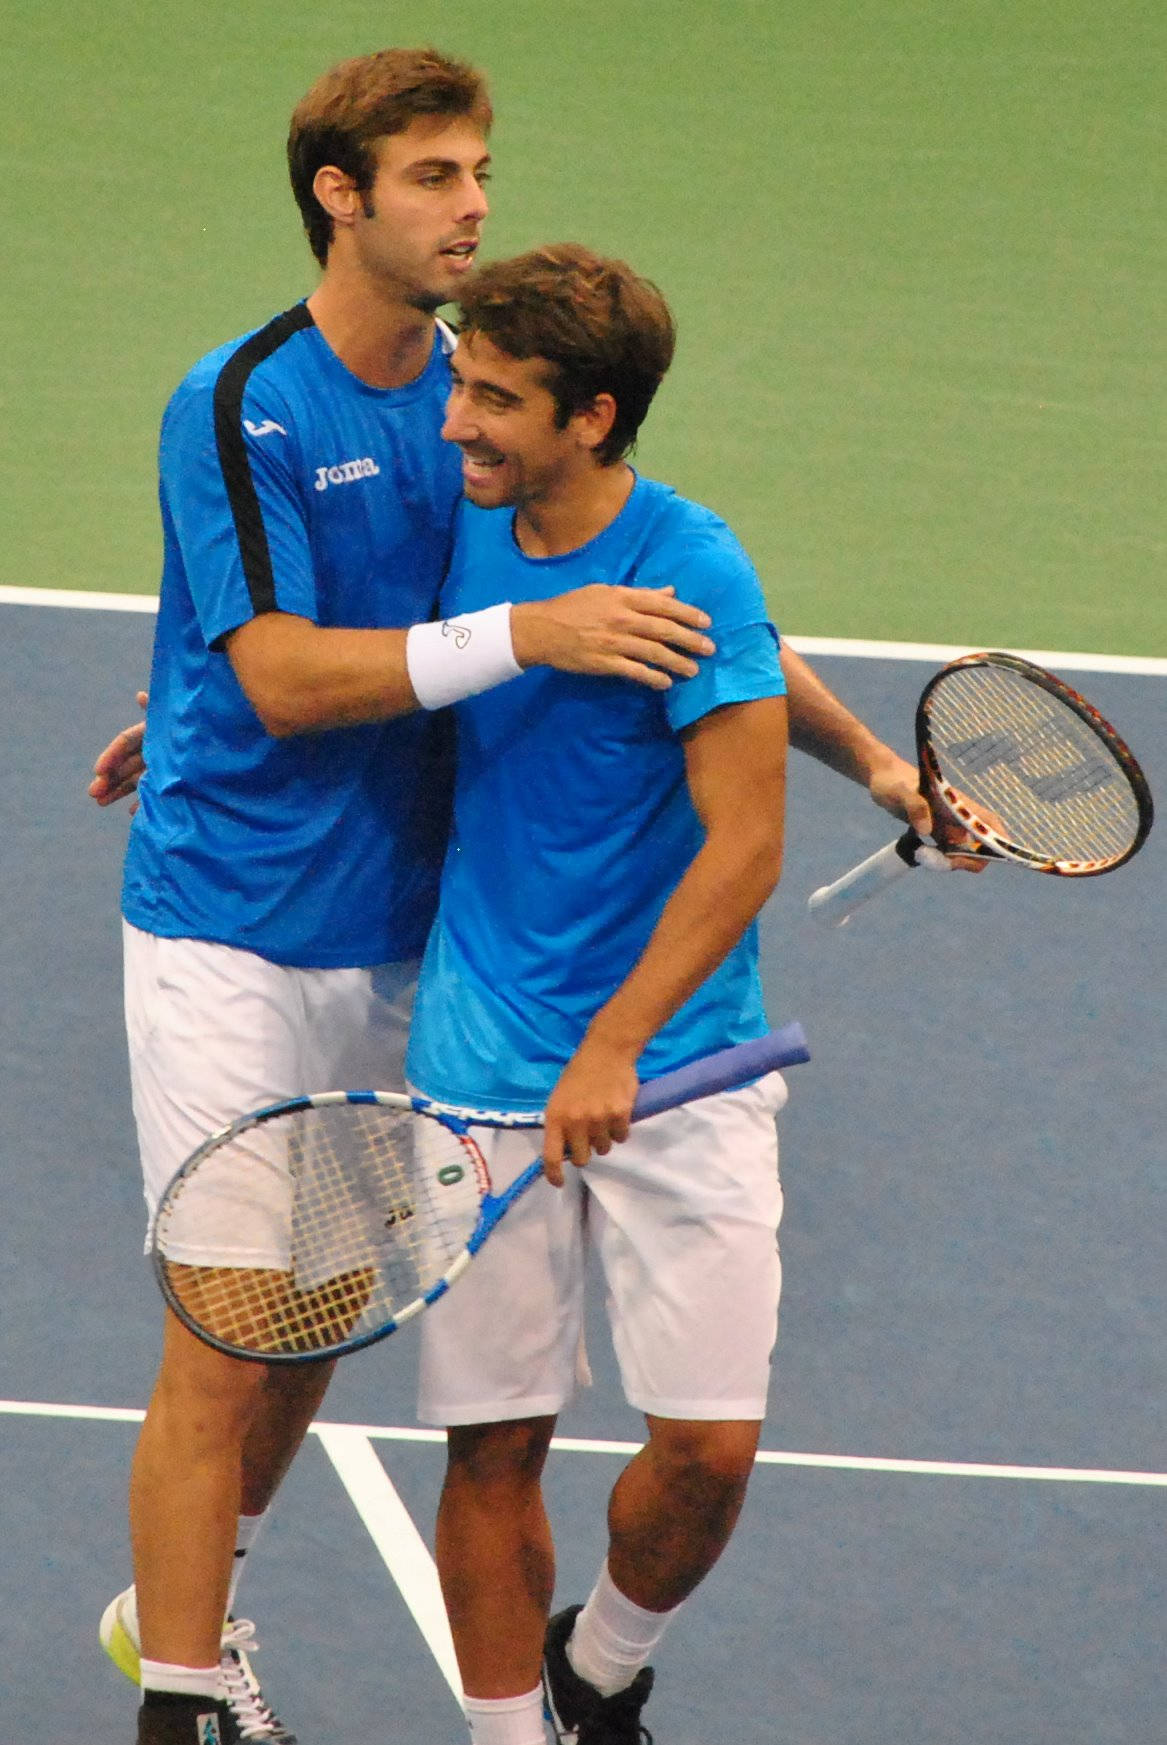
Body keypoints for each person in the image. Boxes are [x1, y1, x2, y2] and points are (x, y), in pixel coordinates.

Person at [93, 51, 713, 1745]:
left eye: (483, 171)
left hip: (407, 945)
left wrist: (879, 772)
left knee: (306, 1333)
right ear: (340, 196)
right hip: (228, 928)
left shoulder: (481, 403)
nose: (477, 205)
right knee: (224, 1339)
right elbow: (292, 675)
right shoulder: (243, 399)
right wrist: (509, 639)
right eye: (436, 174)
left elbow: (658, 594)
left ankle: (180, 1609)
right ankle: (181, 1704)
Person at [397, 243, 971, 1745]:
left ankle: (603, 1660)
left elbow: (745, 838)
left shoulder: (685, 558)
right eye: (460, 383)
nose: (457, 420)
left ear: (592, 416)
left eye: (495, 398)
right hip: (478, 1056)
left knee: (710, 1449)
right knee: (495, 1442)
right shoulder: (450, 521)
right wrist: (192, 731)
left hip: (678, 1066)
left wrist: (616, 1042)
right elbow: (344, 659)